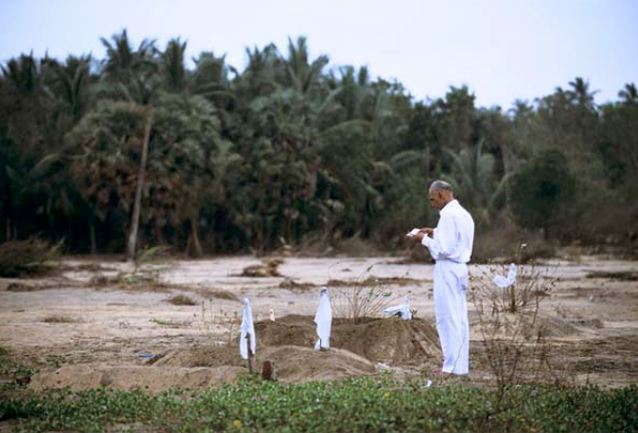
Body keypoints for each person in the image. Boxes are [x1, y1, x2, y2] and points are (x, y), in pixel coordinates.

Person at [410, 180, 474, 376]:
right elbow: (456, 240)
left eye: (433, 199)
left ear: (442, 195)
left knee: (447, 318)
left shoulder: (447, 215)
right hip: (460, 268)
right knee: (459, 318)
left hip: (447, 269)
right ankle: (460, 366)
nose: (432, 204)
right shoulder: (464, 214)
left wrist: (424, 240)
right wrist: (435, 232)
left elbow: (444, 249)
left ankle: (450, 367)